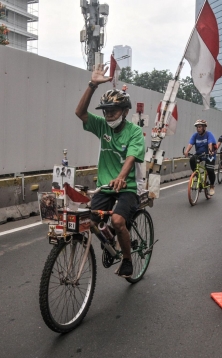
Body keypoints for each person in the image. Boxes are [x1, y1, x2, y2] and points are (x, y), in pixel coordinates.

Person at [75, 64, 145, 278]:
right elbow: (80, 112)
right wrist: (92, 85)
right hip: (105, 187)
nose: (108, 115)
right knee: (90, 223)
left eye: (112, 111)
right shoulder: (103, 126)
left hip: (127, 187)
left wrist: (121, 178)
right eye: (105, 111)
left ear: (125, 112)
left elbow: (131, 158)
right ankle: (110, 239)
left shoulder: (135, 132)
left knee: (117, 220)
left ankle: (127, 260)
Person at [184, 119, 217, 195]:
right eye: (197, 127)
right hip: (199, 154)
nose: (198, 129)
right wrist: (186, 151)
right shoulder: (195, 135)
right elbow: (190, 144)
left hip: (209, 154)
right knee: (192, 159)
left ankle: (212, 186)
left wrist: (210, 151)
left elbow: (210, 143)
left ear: (204, 128)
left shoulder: (209, 134)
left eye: (199, 127)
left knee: (210, 170)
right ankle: (195, 174)